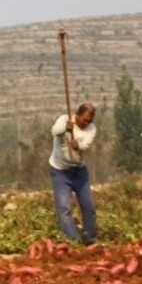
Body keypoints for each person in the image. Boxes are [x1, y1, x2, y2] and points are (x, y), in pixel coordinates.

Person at [48, 102, 98, 245]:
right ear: (77, 114)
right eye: (84, 120)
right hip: (60, 172)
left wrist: (79, 146)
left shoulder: (91, 129)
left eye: (89, 121)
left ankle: (90, 240)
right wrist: (65, 128)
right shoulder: (64, 120)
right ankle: (73, 241)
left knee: (89, 207)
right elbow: (55, 131)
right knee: (64, 208)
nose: (86, 123)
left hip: (79, 171)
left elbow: (86, 144)